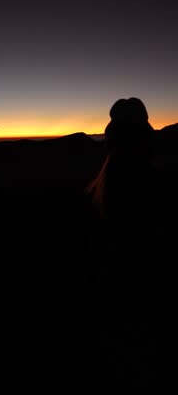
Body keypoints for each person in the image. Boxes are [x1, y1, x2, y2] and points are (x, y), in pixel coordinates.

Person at [82, 97, 176, 387]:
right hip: (143, 310)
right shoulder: (157, 187)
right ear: (144, 137)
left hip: (114, 309)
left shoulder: (97, 189)